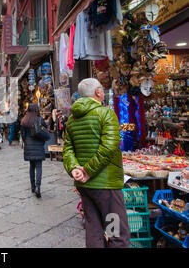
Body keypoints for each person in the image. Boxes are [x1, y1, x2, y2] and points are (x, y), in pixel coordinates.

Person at [63, 78, 130, 248]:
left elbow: (68, 150)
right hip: (106, 186)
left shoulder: (72, 119)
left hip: (85, 186)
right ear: (98, 92)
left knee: (94, 229)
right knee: (116, 232)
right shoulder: (106, 113)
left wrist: (75, 169)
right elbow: (109, 147)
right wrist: (88, 171)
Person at [21, 103, 49, 198]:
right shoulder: (40, 119)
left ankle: (33, 187)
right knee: (39, 167)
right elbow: (45, 130)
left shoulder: (24, 120)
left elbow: (23, 135)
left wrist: (26, 142)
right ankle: (38, 187)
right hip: (38, 145)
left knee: (31, 167)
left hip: (28, 145)